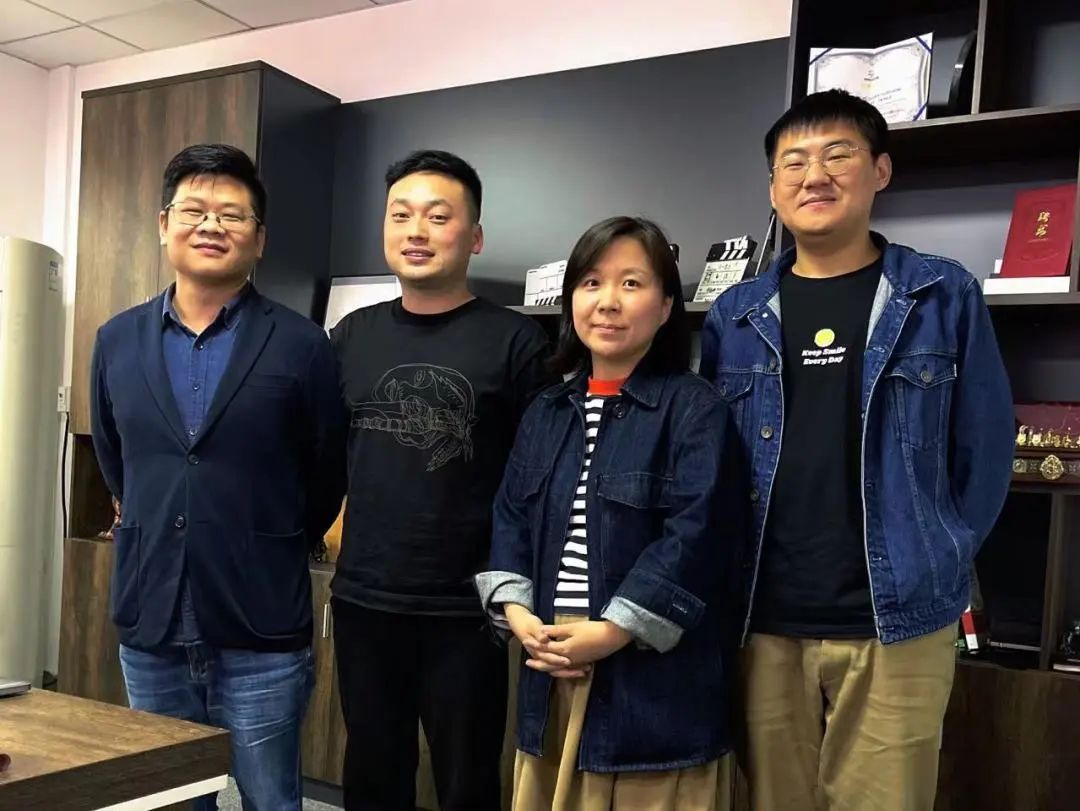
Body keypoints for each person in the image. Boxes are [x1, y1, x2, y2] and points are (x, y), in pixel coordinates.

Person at [700, 89, 1014, 810]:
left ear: (880, 170)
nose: (815, 175)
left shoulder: (942, 294)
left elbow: (986, 447)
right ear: (773, 189)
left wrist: (941, 550)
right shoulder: (736, 314)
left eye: (837, 154)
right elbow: (712, 460)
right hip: (763, 617)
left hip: (898, 618)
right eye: (794, 163)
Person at [90, 143, 347, 810]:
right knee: (170, 798)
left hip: (260, 620)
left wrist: (269, 536)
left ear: (258, 238)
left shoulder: (303, 345)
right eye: (194, 210)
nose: (211, 225)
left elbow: (326, 469)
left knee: (270, 799)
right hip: (153, 617)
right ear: (164, 224)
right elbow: (116, 458)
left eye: (232, 214)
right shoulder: (116, 340)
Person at [477, 216, 740, 811]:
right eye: (591, 283)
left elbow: (697, 535)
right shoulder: (546, 410)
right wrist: (517, 612)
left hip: (649, 673)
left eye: (632, 283)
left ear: (666, 306)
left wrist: (613, 631)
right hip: (552, 657)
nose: (608, 302)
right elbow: (510, 516)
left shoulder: (694, 408)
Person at [330, 149, 553, 811]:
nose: (416, 231)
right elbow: (325, 452)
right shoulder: (351, 335)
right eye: (401, 215)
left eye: (438, 216)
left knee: (467, 779)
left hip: (468, 605)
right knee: (372, 773)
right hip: (365, 596)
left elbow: (536, 477)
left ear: (474, 236)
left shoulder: (517, 342)